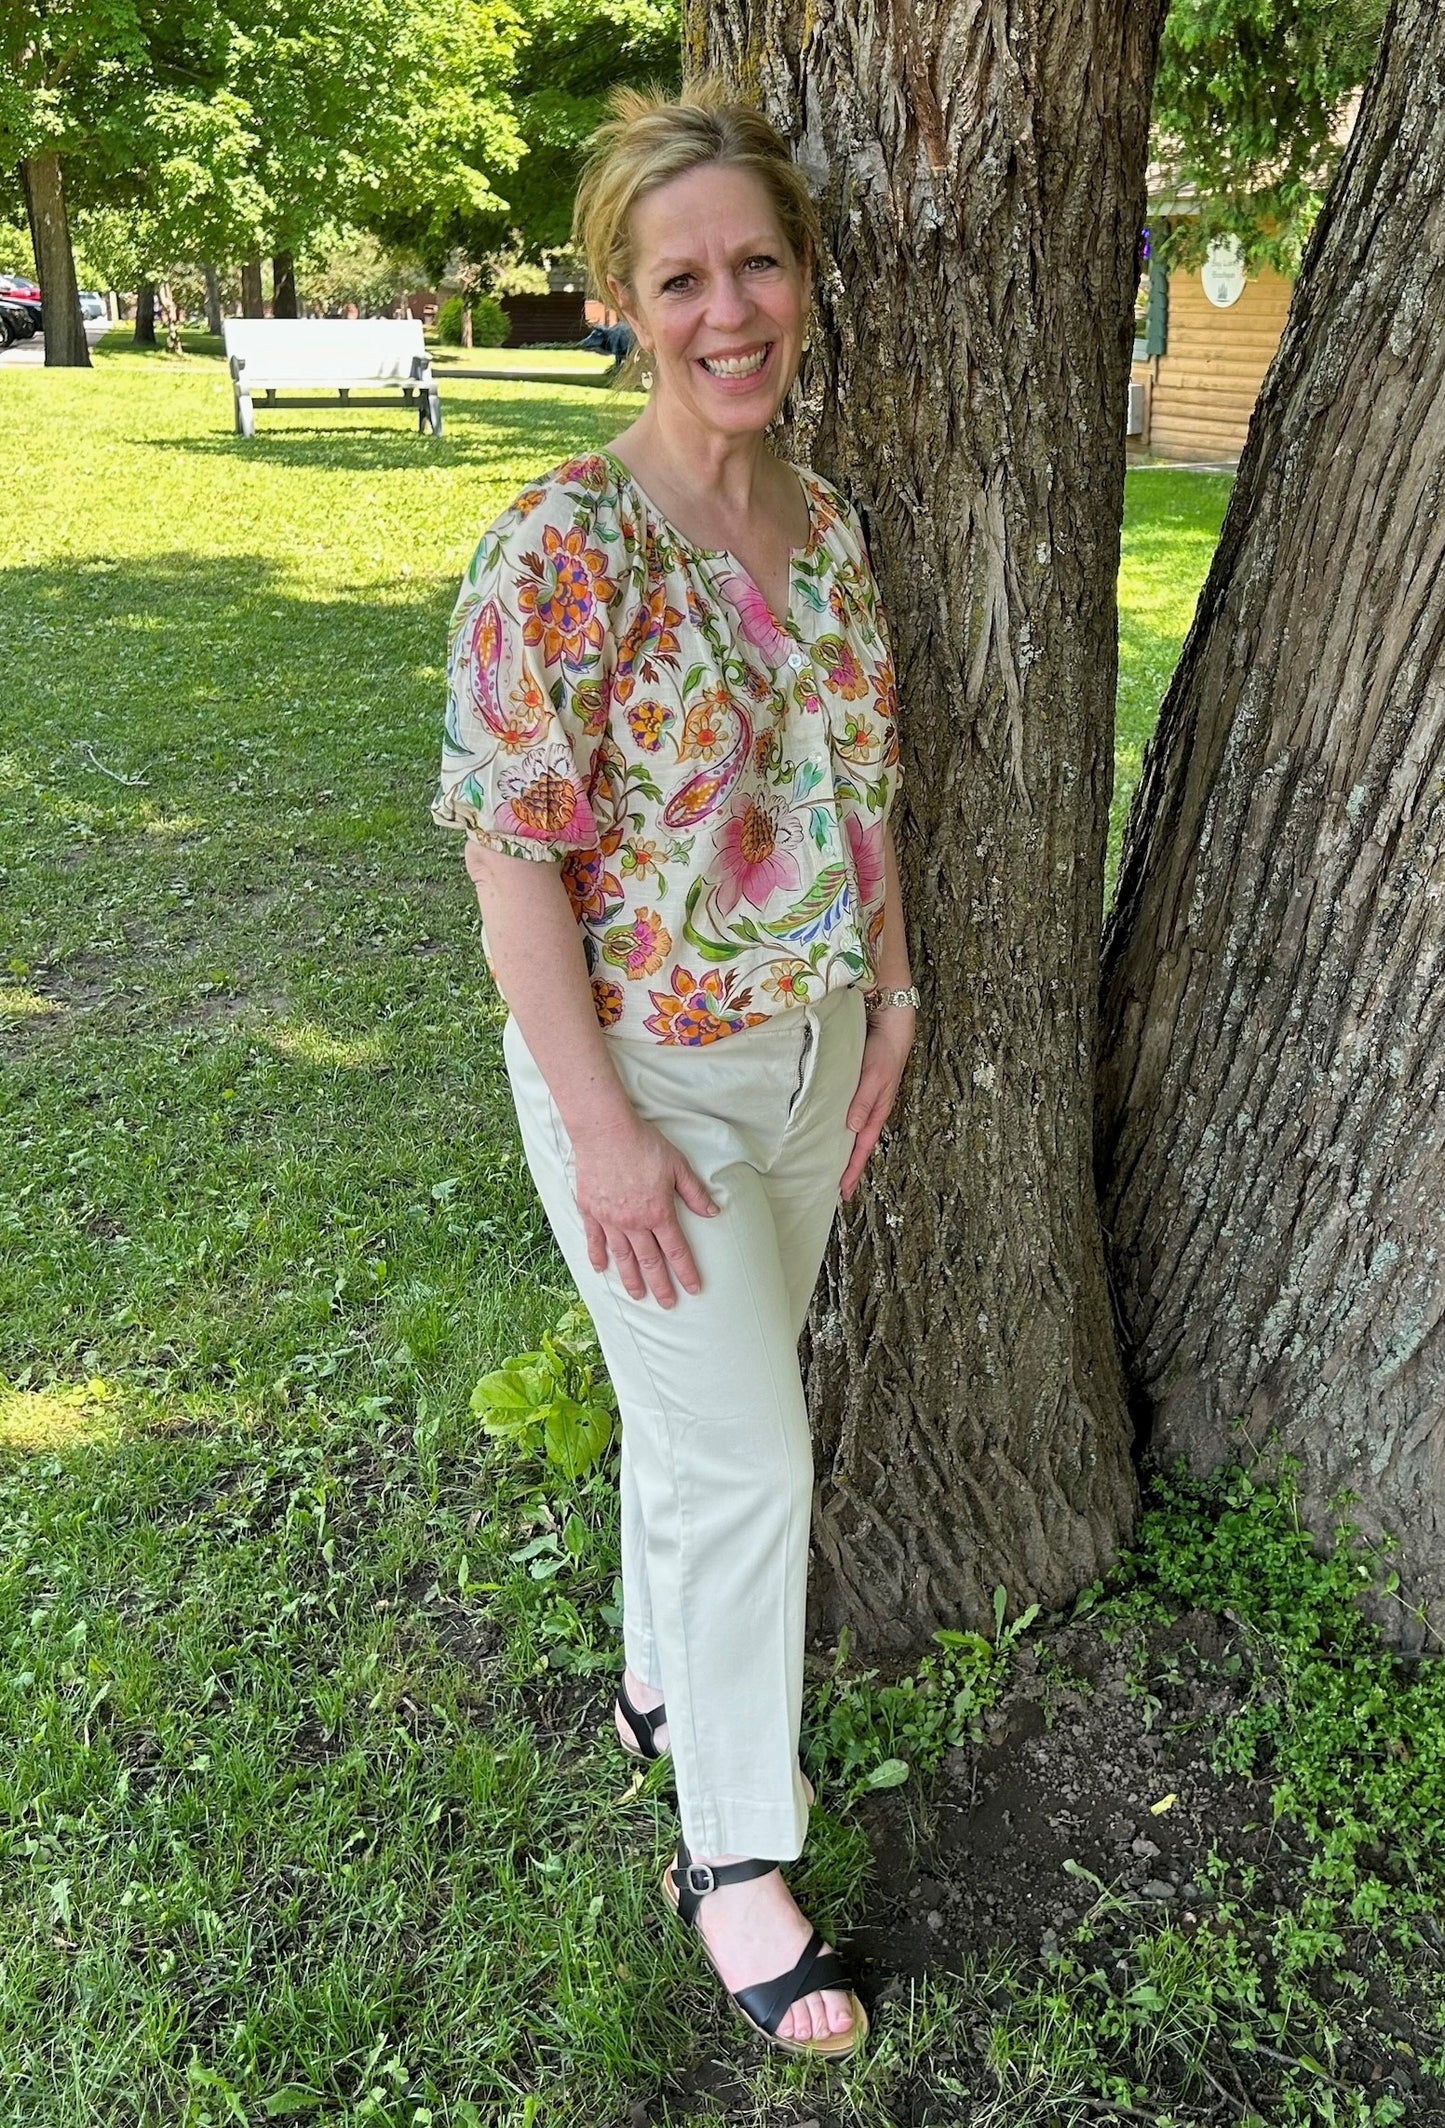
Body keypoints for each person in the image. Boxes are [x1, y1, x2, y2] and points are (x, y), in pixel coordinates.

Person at [432, 78, 917, 2059]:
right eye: (681, 275)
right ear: (623, 301)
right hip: (647, 1084)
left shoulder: (830, 527)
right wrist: (609, 1126)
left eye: (758, 265)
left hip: (810, 1060)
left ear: (802, 283)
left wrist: (893, 999)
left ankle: (654, 1682)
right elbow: (508, 855)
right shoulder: (563, 544)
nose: (730, 309)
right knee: (749, 1455)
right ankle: (732, 1856)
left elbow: (864, 784)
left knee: (703, 1431)